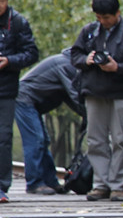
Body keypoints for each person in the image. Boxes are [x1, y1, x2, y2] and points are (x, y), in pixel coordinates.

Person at [69, 0, 123, 202]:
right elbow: (74, 55)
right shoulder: (89, 31)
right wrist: (88, 59)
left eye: (107, 18)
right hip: (94, 93)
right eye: (99, 17)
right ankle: (100, 184)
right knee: (95, 140)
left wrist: (117, 67)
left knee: (120, 140)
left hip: (122, 93)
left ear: (118, 13)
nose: (103, 22)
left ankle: (118, 185)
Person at [0, 0, 40, 202]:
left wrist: (10, 61)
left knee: (2, 138)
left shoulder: (18, 22)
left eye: (1, 0)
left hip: (4, 91)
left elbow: (32, 53)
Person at [15, 50, 84, 195]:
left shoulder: (66, 64)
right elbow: (73, 94)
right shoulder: (65, 64)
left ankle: (51, 181)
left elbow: (68, 97)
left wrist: (87, 115)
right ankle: (34, 183)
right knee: (36, 140)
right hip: (24, 99)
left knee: (43, 140)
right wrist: (90, 114)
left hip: (32, 102)